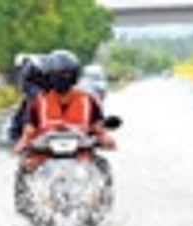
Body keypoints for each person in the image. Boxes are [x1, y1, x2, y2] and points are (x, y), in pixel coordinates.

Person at [12, 49, 117, 216]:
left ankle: (100, 207)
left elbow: (99, 129)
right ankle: (27, 209)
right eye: (59, 73)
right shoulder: (38, 102)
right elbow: (28, 132)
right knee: (24, 168)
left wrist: (106, 139)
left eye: (67, 73)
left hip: (81, 154)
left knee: (103, 166)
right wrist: (22, 146)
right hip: (44, 155)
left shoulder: (89, 100)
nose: (64, 78)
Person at [7, 54, 47, 144]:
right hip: (41, 89)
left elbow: (24, 85)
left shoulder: (29, 67)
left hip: (42, 89)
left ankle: (16, 135)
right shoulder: (33, 64)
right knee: (26, 107)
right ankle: (16, 135)